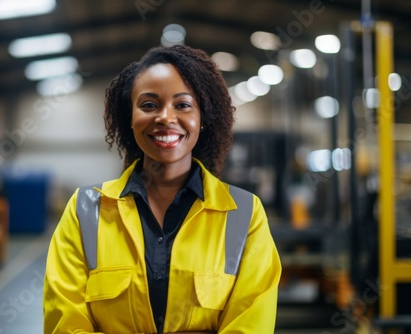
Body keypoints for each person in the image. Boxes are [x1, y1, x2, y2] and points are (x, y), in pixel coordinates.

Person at [43, 44, 281, 333]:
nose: (165, 118)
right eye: (149, 105)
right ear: (128, 117)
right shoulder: (85, 210)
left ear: (202, 119)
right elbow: (65, 323)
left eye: (182, 105)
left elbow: (251, 323)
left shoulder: (245, 213)